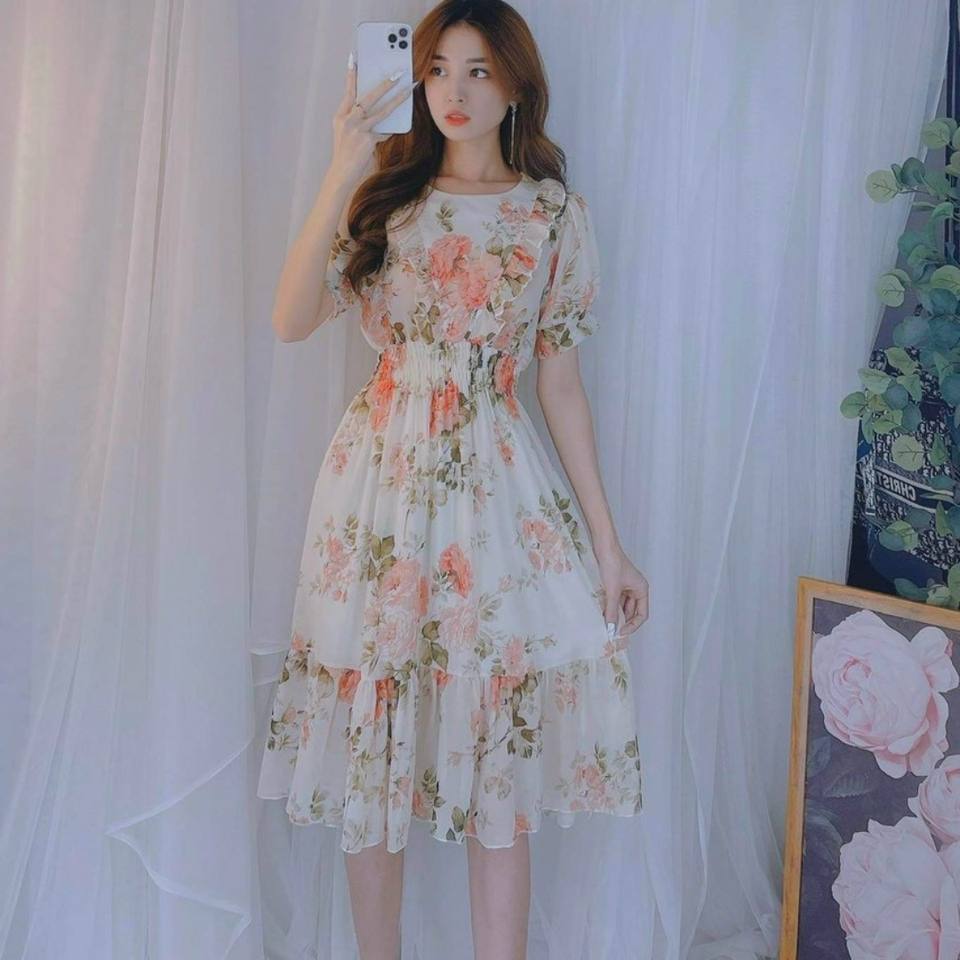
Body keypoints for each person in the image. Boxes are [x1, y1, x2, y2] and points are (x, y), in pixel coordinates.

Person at [257, 1, 650, 957]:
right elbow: (291, 318)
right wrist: (344, 164)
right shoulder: (385, 202)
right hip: (377, 493)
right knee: (373, 747)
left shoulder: (551, 215)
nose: (455, 91)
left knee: (496, 750)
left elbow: (560, 383)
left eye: (478, 70)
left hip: (498, 496)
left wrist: (609, 545)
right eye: (437, 69)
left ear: (516, 83)